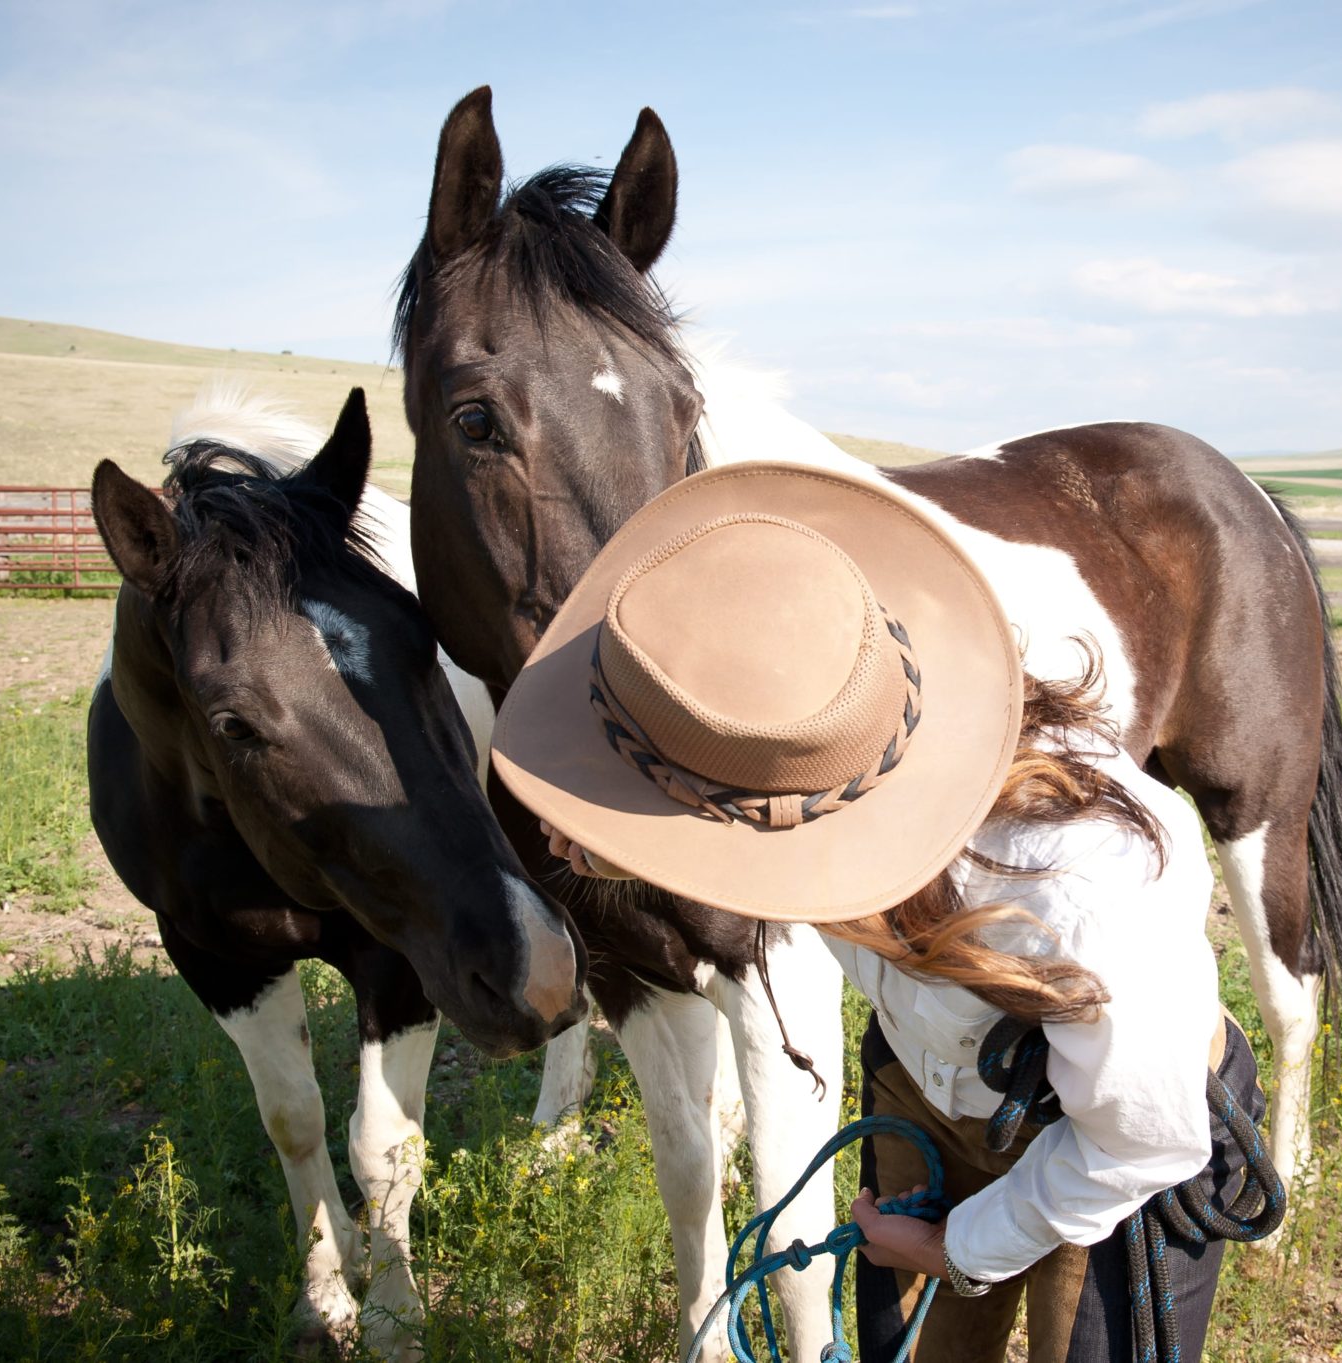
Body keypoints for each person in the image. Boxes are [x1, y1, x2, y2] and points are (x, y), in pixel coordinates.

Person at [489, 462, 1269, 1363]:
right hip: (933, 1083)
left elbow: (1142, 1142)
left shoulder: (1078, 896)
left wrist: (952, 1248)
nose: (558, 840)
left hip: (1103, 1145)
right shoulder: (822, 730)